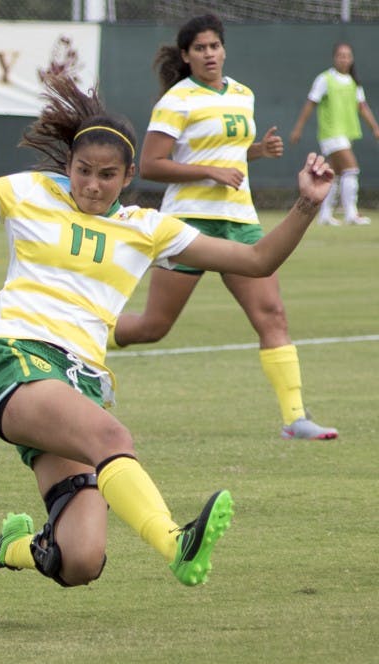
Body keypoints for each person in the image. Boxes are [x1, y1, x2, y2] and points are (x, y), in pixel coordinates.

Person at [0, 73, 333, 590]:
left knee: (80, 561)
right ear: (68, 165)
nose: (92, 185)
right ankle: (176, 543)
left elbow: (257, 260)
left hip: (82, 381)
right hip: (18, 360)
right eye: (82, 171)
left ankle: (15, 545)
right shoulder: (29, 192)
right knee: (111, 437)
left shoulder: (148, 227)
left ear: (129, 175)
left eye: (107, 175)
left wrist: (306, 204)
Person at [112, 14, 337, 441]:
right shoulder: (177, 100)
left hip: (239, 222)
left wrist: (257, 152)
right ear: (186, 55)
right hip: (189, 223)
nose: (209, 53)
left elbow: (227, 155)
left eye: (214, 45)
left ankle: (296, 419)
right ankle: (71, 338)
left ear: (224, 49)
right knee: (152, 327)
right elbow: (151, 166)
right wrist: (209, 173)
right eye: (200, 48)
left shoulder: (242, 94)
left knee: (272, 315)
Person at [290, 42, 379, 226]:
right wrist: (298, 128)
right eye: (341, 55)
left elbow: (362, 107)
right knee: (352, 169)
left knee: (334, 174)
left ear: (352, 59)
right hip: (331, 133)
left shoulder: (354, 82)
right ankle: (351, 213)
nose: (344, 59)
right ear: (334, 58)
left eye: (347, 55)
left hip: (347, 133)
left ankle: (325, 214)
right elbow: (310, 103)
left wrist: (375, 127)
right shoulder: (325, 79)